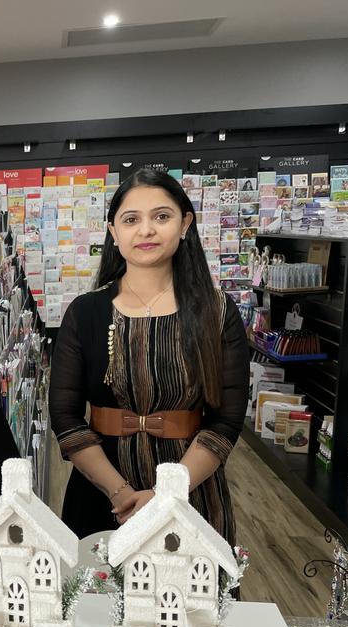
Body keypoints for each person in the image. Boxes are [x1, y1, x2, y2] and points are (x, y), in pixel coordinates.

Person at [49, 168, 249, 544]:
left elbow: (226, 420)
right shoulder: (85, 312)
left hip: (192, 492)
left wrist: (166, 495)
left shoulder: (217, 311)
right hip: (101, 494)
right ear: (113, 232)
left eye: (161, 216)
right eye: (131, 220)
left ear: (185, 223)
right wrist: (121, 494)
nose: (146, 231)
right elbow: (65, 416)